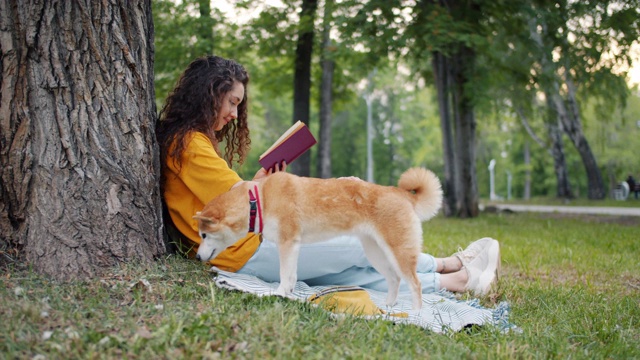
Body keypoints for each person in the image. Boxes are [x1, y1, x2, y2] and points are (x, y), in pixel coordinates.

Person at [156, 55, 501, 297]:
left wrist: (262, 180)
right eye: (231, 102)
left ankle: (457, 281)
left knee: (348, 275)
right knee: (358, 242)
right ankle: (449, 264)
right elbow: (239, 199)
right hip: (245, 252)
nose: (234, 114)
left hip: (243, 253)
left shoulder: (190, 141)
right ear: (209, 93)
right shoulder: (189, 143)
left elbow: (234, 198)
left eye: (238, 105)